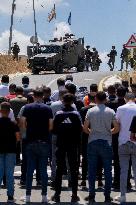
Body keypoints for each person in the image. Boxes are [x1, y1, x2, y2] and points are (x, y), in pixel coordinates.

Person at [84, 91, 119, 203]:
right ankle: (107, 195)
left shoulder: (90, 111)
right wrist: (109, 132)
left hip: (93, 141)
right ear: (105, 100)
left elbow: (85, 128)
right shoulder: (111, 111)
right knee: (108, 170)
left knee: (92, 170)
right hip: (106, 141)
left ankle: (91, 195)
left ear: (96, 100)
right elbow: (117, 128)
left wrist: (91, 132)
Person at [20, 88, 53, 203]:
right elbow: (50, 126)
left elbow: (23, 123)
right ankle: (44, 196)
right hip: (44, 141)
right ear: (43, 96)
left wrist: (28, 130)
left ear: (33, 96)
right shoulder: (48, 108)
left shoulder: (27, 108)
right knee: (43, 170)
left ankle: (28, 196)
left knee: (30, 170)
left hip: (30, 141)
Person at [51, 93, 83, 203]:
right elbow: (80, 129)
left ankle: (57, 194)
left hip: (61, 144)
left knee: (59, 169)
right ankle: (74, 194)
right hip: (73, 144)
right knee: (73, 169)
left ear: (63, 102)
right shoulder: (76, 114)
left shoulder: (58, 114)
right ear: (72, 102)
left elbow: (54, 130)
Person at [115, 93, 136, 203]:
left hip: (123, 141)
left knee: (124, 171)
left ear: (125, 99)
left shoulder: (120, 108)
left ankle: (123, 196)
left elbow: (117, 124)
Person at [0, 102, 20, 203]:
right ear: (9, 112)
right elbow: (18, 137)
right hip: (11, 150)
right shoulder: (13, 124)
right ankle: (10, 197)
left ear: (0, 111)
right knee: (9, 174)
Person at [10, 86, 27, 165]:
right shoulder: (26, 100)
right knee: (24, 142)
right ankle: (25, 158)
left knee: (16, 142)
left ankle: (17, 159)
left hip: (14, 124)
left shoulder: (11, 100)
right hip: (24, 124)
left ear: (15, 92)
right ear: (22, 92)